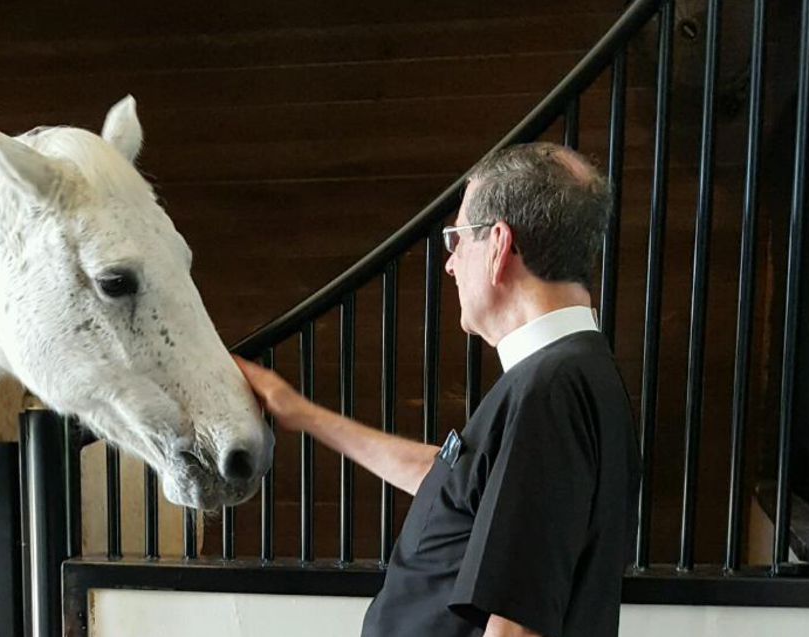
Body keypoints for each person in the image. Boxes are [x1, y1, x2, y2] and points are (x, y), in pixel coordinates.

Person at [236, 142, 641, 637]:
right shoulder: (569, 372)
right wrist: (299, 411)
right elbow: (457, 487)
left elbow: (517, 627)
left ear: (498, 245)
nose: (449, 264)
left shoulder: (550, 391)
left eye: (457, 239)